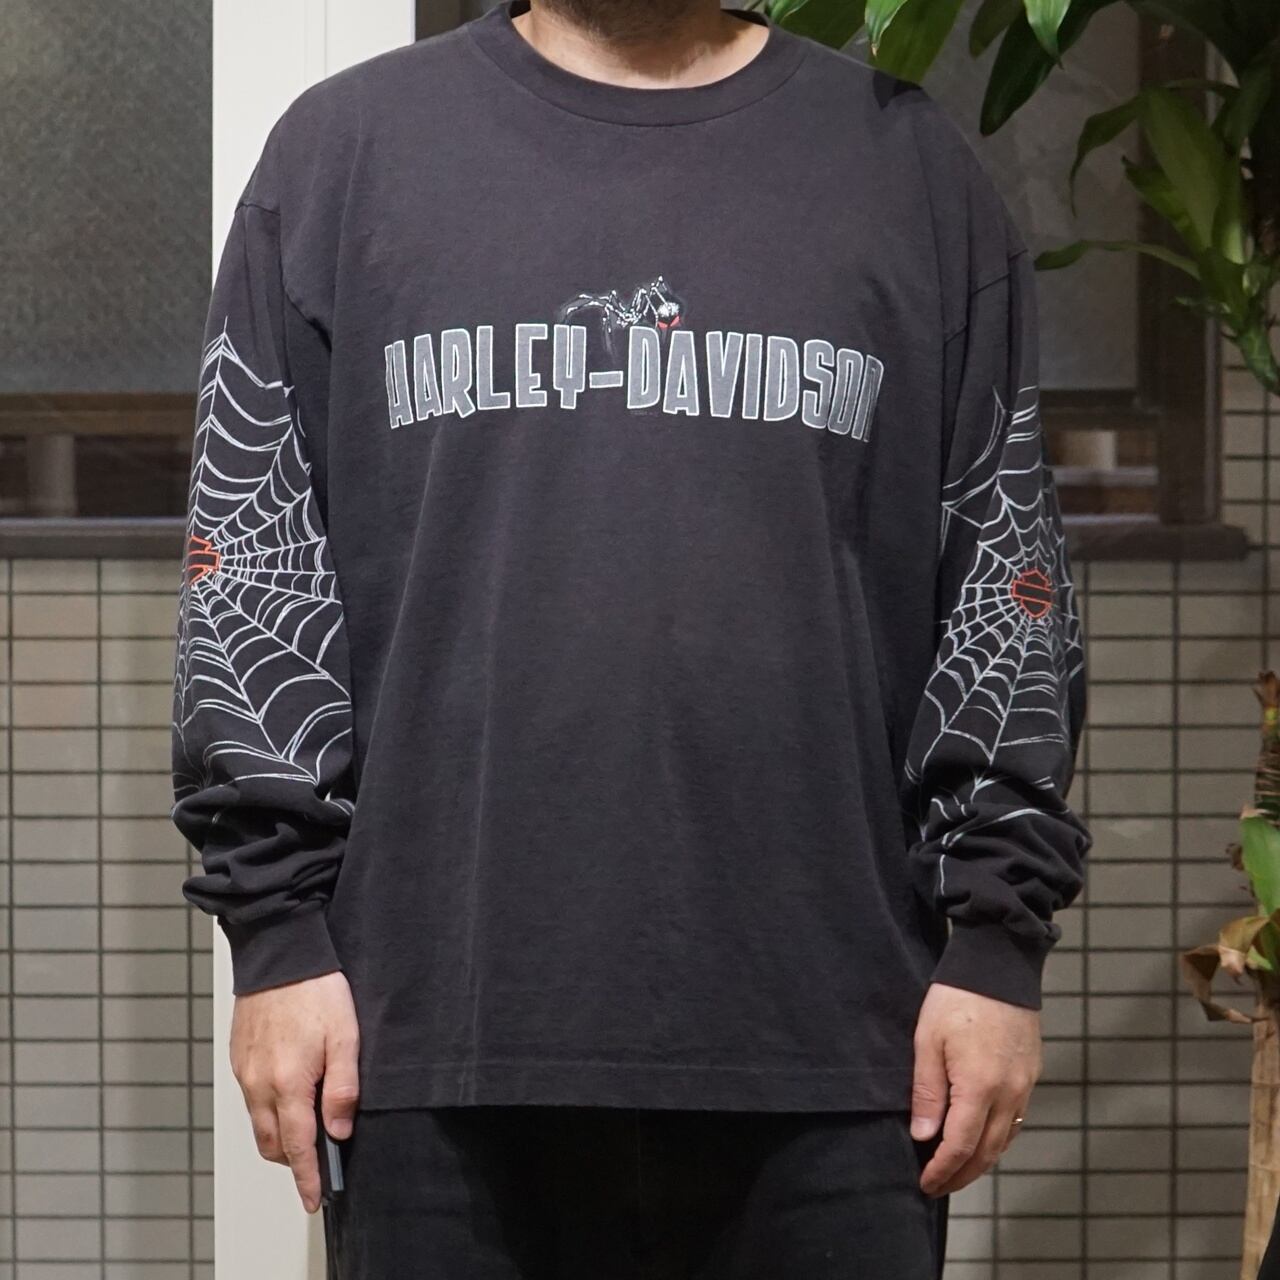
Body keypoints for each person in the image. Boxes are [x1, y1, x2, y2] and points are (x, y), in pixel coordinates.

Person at [169, 0, 1091, 1274]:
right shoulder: (343, 156)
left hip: (839, 1047)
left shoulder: (906, 166)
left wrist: (994, 941)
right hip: (430, 1035)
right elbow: (251, 565)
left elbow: (1004, 574)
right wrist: (276, 940)